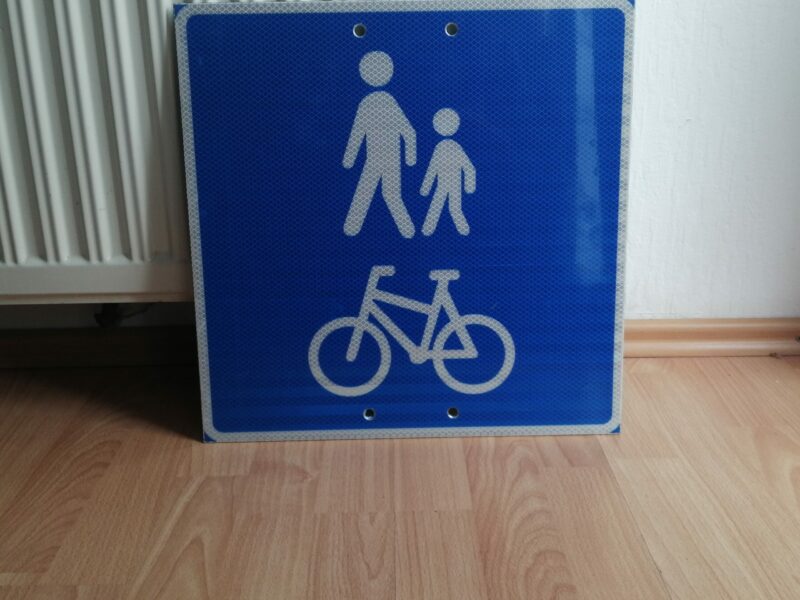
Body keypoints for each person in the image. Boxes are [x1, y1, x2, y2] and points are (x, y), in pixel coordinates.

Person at [342, 52, 416, 238]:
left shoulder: (373, 104)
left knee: (378, 193)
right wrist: (410, 158)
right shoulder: (380, 103)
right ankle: (406, 230)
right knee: (384, 194)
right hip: (383, 159)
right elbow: (409, 133)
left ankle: (406, 230)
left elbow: (357, 133)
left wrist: (349, 160)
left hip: (381, 159)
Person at [420, 108, 475, 236]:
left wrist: (469, 187)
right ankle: (427, 230)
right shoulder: (442, 148)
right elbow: (432, 169)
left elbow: (468, 167)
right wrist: (426, 188)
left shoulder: (453, 148)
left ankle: (463, 230)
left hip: (454, 185)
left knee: (452, 208)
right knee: (438, 206)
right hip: (443, 185)